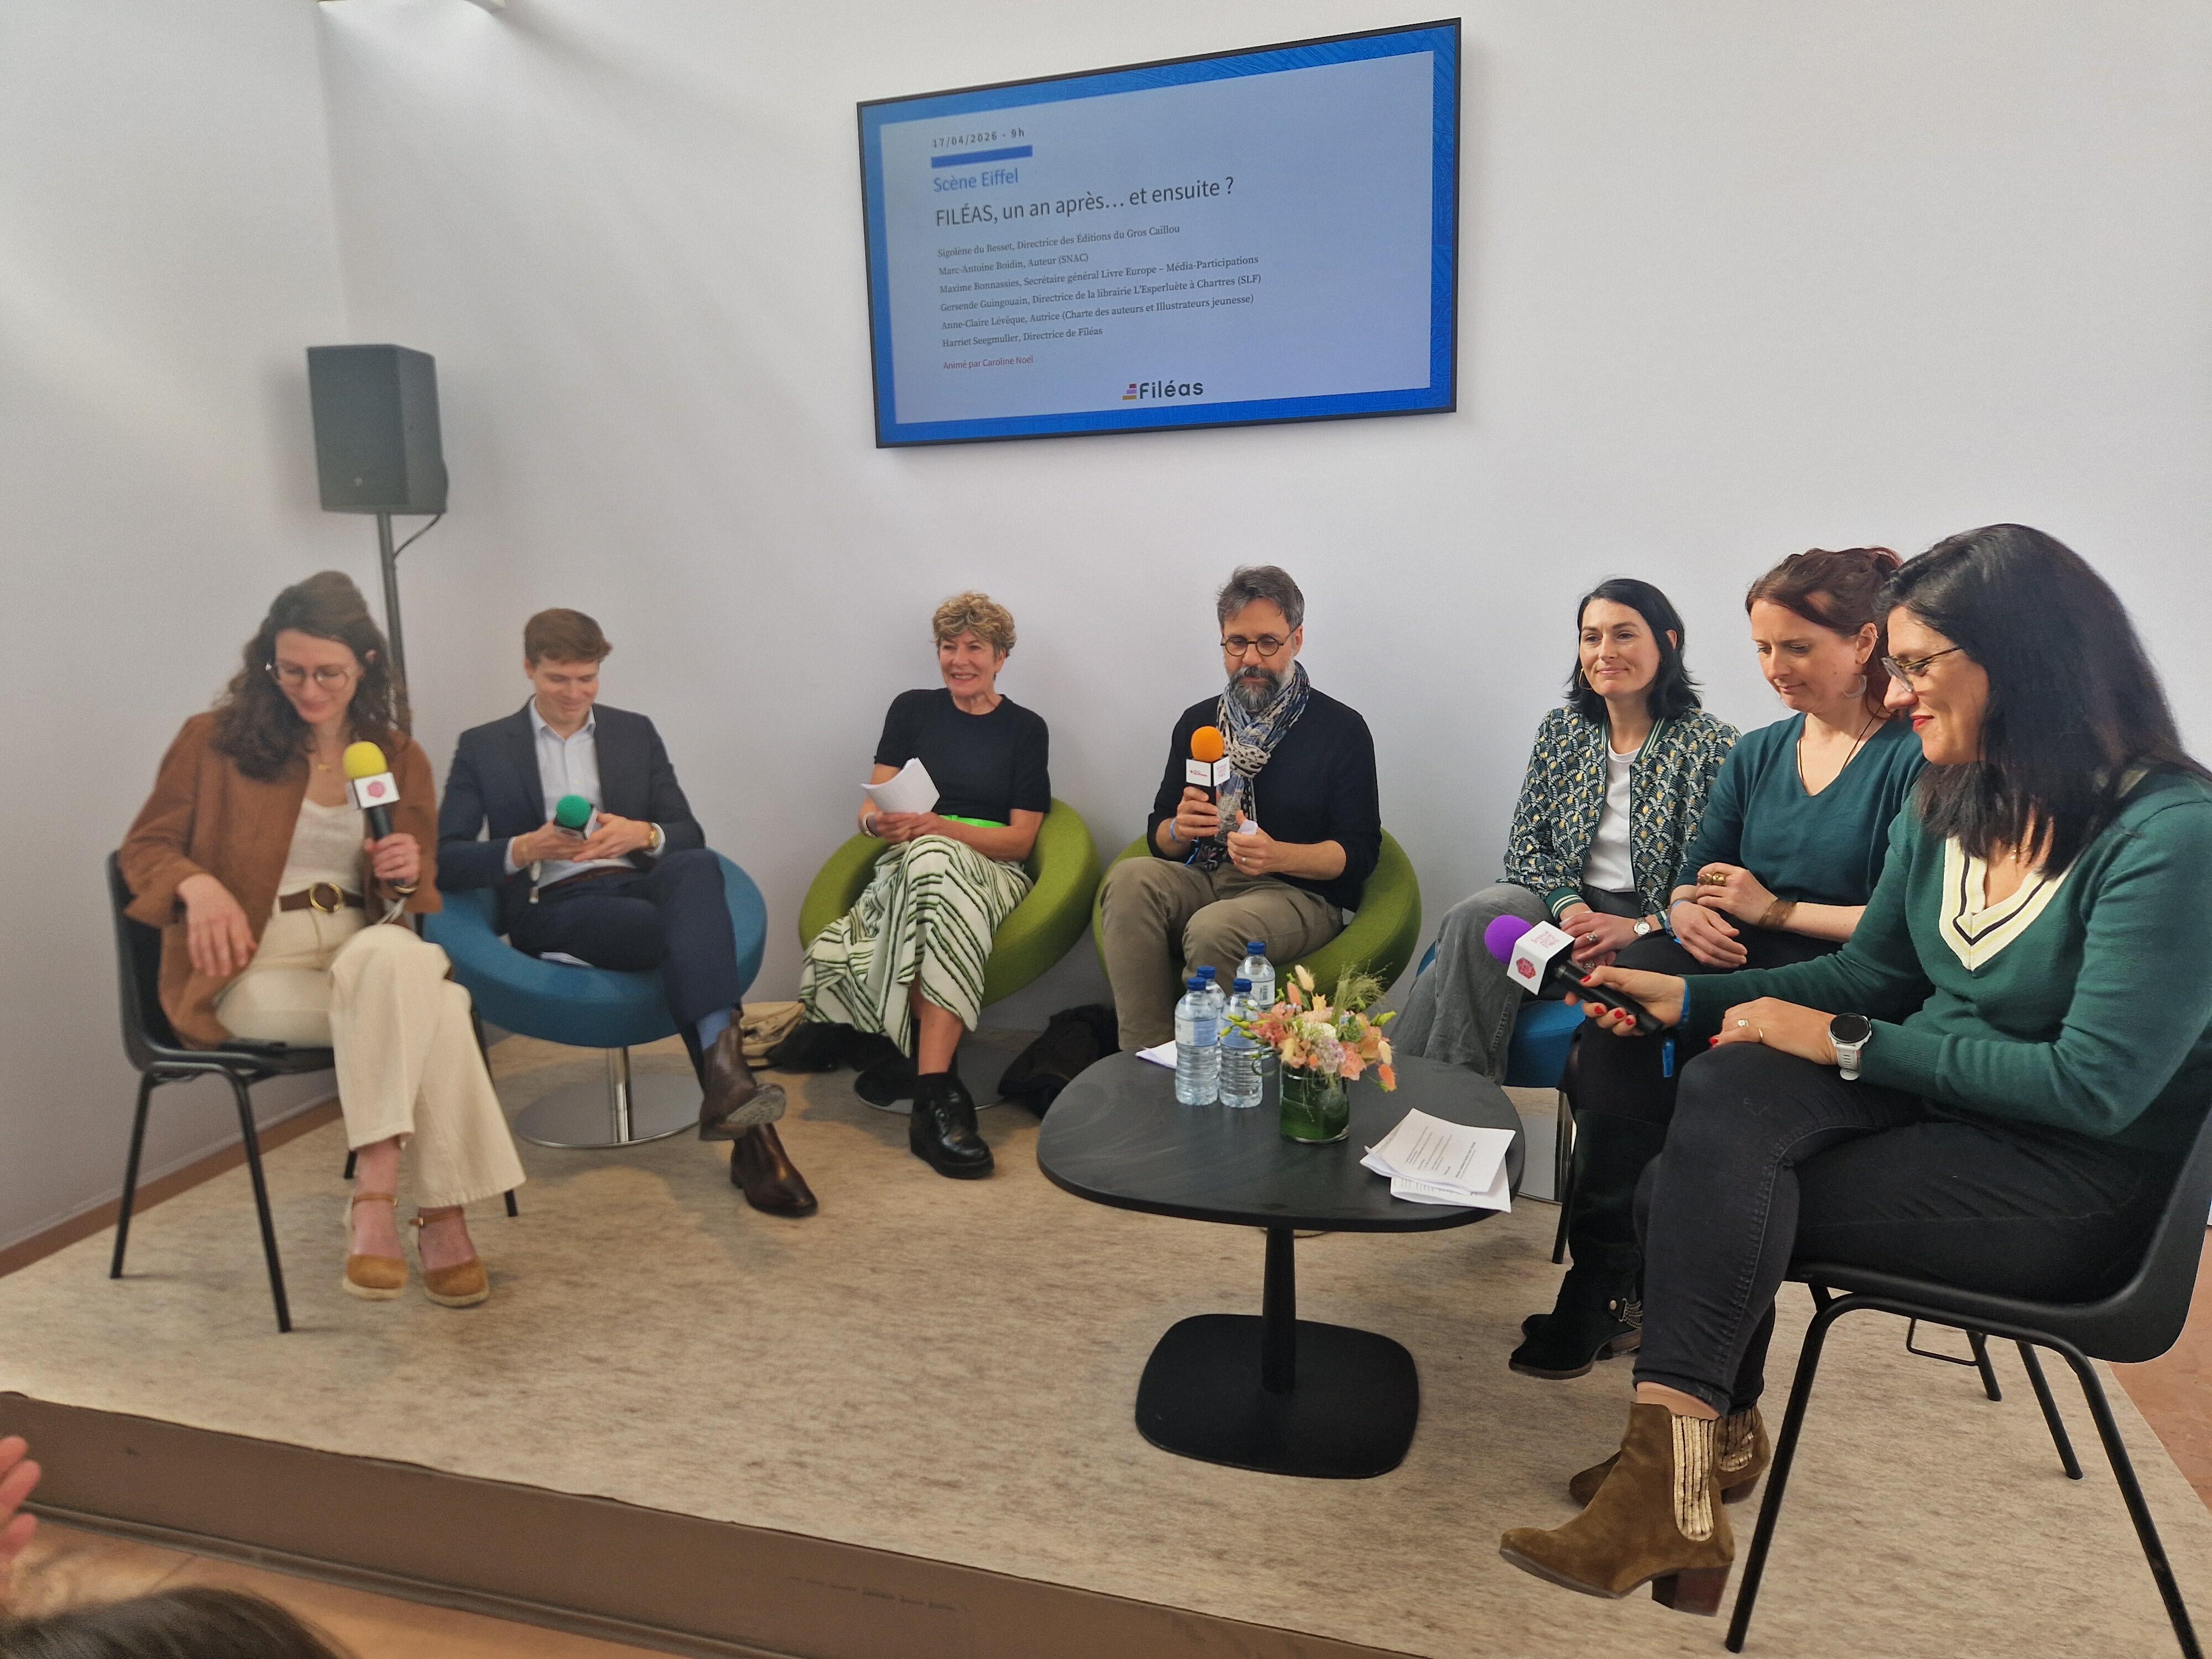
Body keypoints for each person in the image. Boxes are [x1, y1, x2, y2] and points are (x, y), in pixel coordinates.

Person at [1498, 524, 2212, 1614]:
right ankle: (1683, 1473)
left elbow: (2091, 1086)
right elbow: (1870, 976)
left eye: (1918, 666)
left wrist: (1842, 1042)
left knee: (1681, 1192)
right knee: (1725, 1088)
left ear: (2022, 661)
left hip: (2077, 1188)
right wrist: (1691, 1001)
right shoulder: (1953, 795)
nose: (1897, 692)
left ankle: (1681, 1475)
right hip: (1939, 1112)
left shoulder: (2171, 834)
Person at [1510, 547, 1923, 1380]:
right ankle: (1602, 1278)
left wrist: (1773, 912)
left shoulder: (1911, 758)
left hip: (1842, 976)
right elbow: (1698, 870)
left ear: (1864, 643)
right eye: (1764, 648)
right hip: (1736, 950)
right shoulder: (1761, 751)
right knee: (1619, 1016)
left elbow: (1899, 926)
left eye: (1797, 648)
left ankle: (1660, 1299)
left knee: (1699, 1068)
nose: (1775, 668)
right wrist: (1689, 910)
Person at [119, 573, 524, 1309]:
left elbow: (410, 892)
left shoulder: (395, 756)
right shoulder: (212, 742)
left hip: (360, 948)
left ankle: (375, 1193)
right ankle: (441, 1218)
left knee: (397, 961)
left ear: (364, 663)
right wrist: (197, 885)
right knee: (438, 1002)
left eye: (327, 673)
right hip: (251, 966)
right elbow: (143, 849)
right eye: (291, 670)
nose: (308, 689)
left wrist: (405, 870)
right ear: (268, 663)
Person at [439, 609, 814, 1218]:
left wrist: (644, 834)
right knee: (686, 940)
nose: (574, 694)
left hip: (638, 884)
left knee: (697, 868)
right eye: (558, 679)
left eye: (586, 679)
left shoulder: (634, 732)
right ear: (529, 668)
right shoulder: (484, 746)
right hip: (555, 904)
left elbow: (687, 832)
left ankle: (731, 1091)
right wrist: (526, 847)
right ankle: (754, 1137)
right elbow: (444, 859)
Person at [1395, 578, 1737, 1076]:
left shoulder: (1711, 744)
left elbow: (1716, 877)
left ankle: (1419, 1097)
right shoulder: (1561, 730)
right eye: (1591, 637)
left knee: (1447, 970)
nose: (1605, 652)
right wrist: (1573, 910)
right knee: (1476, 919)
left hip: (1654, 924)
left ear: (1667, 643)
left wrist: (1637, 928)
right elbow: (1526, 849)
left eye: (1624, 635)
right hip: (1559, 907)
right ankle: (1450, 1096)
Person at [792, 592, 1050, 1179]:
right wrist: (877, 824)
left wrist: (940, 830)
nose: (959, 660)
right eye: (948, 647)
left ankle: (928, 1082)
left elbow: (1020, 842)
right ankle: (937, 1098)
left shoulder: (1025, 729)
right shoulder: (911, 710)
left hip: (990, 870)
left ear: (1001, 658)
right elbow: (869, 808)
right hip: (909, 863)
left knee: (934, 859)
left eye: (975, 647)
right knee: (927, 864)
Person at [1098, 566, 1381, 1051]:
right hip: (1208, 875)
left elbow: (1359, 853)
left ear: (1296, 640)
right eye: (1237, 643)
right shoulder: (1200, 723)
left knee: (1215, 928)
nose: (1251, 658)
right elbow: (1160, 836)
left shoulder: (1341, 730)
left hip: (1297, 894)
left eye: (1267, 642)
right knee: (1128, 880)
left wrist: (1278, 855)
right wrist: (1179, 828)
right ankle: (1147, 1057)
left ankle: (1217, 1068)